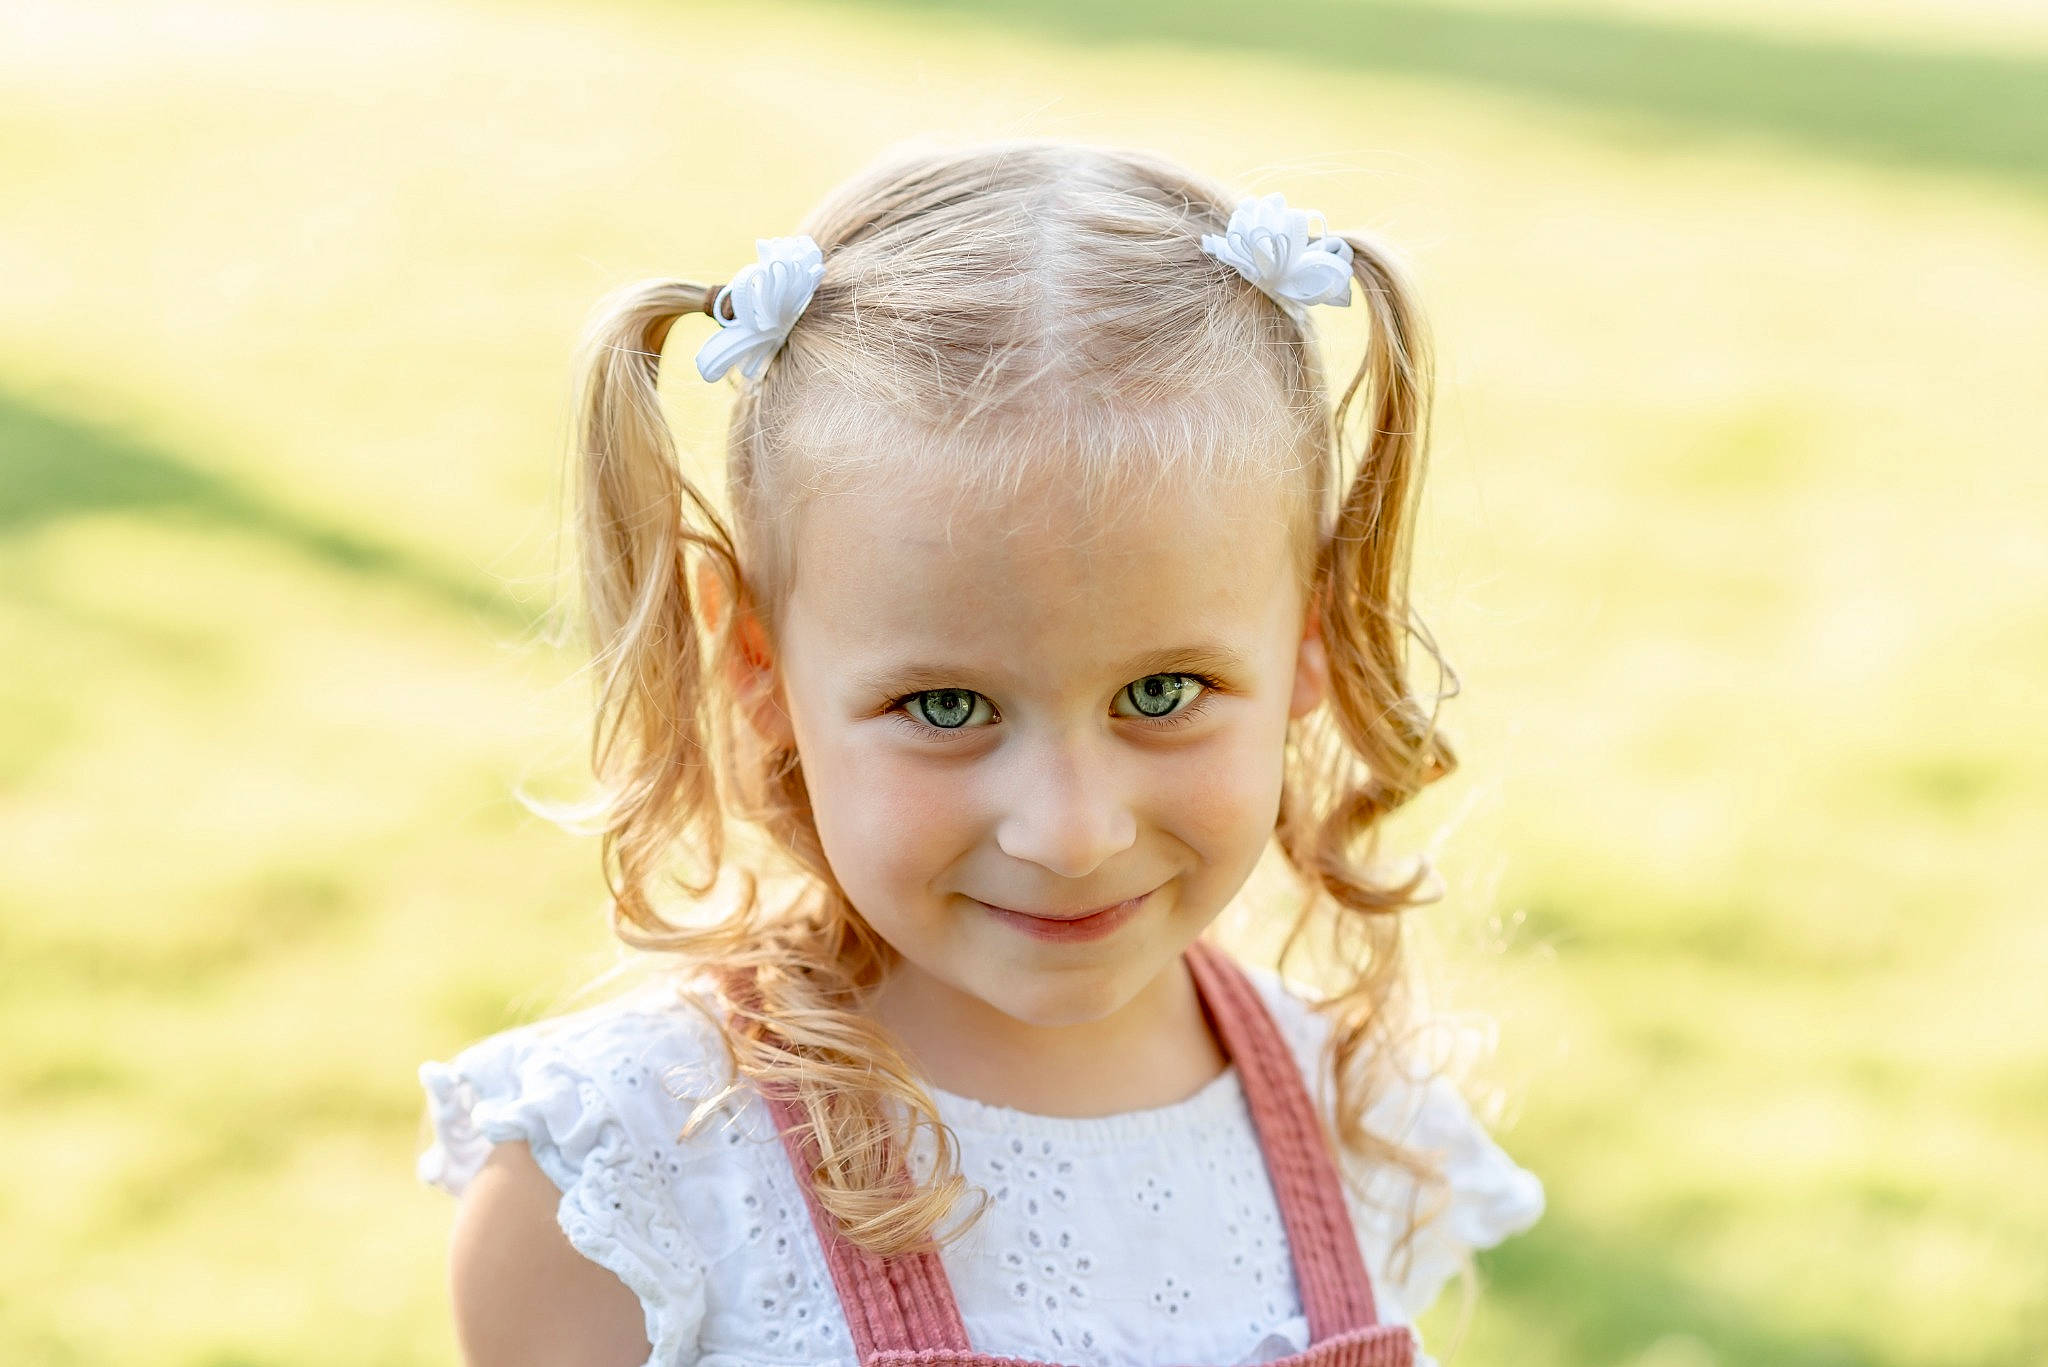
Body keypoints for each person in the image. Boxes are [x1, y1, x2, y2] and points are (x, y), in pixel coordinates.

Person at [415, 137, 1544, 1367]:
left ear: (1315, 640)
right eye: (946, 706)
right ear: (756, 669)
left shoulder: (1353, 1123)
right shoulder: (631, 1180)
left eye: (1161, 691)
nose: (1068, 831)